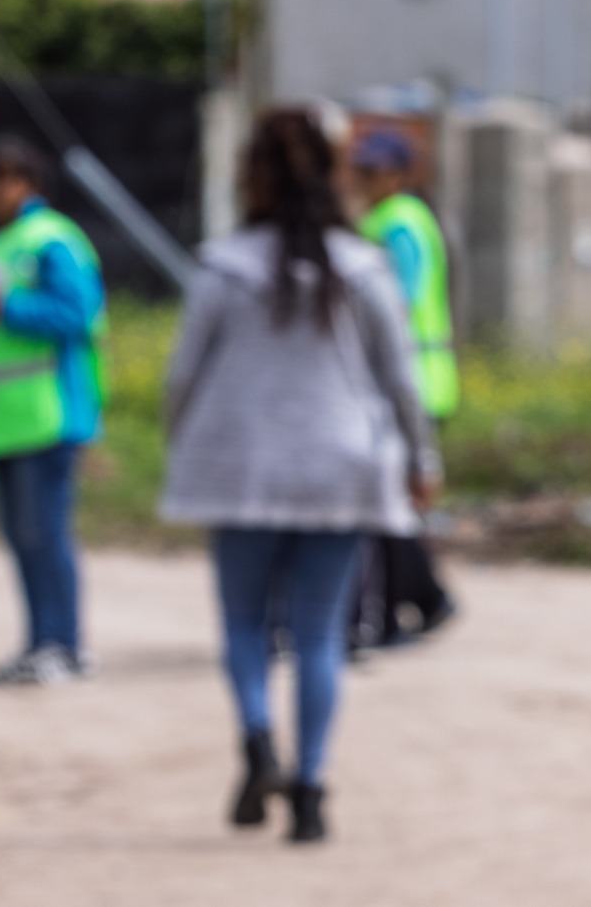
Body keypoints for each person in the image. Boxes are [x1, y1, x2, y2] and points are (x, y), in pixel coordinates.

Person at [160, 109, 441, 843]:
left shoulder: (223, 265)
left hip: (240, 468)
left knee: (246, 625)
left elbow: (184, 375)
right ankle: (311, 791)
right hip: (340, 469)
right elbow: (401, 379)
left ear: (249, 173)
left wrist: (180, 447)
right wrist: (422, 460)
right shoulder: (364, 266)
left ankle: (257, 740)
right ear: (334, 173)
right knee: (319, 635)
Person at [0, 137, 107, 686]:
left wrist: (5, 307)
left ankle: (65, 645)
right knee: (20, 538)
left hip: (48, 414)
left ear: (29, 183)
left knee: (46, 535)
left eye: (3, 177)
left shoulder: (52, 240)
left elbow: (77, 316)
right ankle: (38, 644)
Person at [351, 129, 459, 645]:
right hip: (410, 375)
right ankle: (407, 605)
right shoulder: (390, 220)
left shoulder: (398, 223)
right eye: (361, 171)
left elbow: (398, 301)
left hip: (412, 377)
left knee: (392, 503)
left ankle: (420, 601)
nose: (364, 181)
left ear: (399, 174)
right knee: (391, 503)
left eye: (373, 172)